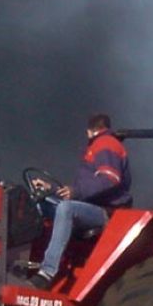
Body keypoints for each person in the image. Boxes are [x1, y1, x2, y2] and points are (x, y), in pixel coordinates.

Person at [29, 113, 132, 290]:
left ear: (89, 131)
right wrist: (51, 188)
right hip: (89, 206)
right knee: (39, 205)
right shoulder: (99, 145)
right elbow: (79, 191)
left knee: (66, 209)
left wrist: (76, 191)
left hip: (106, 212)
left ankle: (47, 272)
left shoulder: (106, 144)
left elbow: (109, 179)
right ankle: (25, 264)